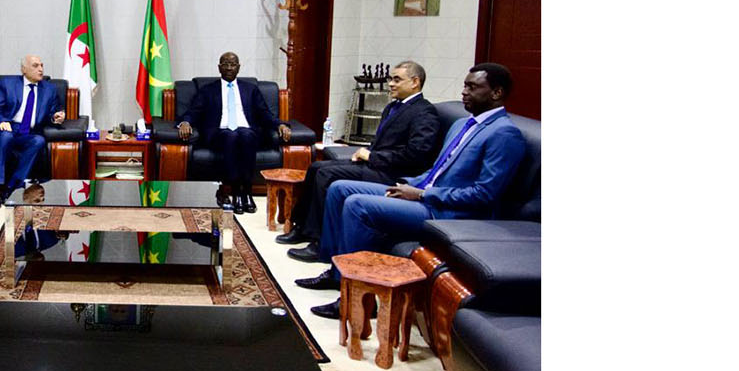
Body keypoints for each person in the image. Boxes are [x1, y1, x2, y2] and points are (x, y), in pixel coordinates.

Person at [297, 63, 528, 319]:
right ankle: (337, 273)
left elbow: (484, 195)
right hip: (423, 194)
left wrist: (422, 194)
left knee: (357, 205)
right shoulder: (462, 124)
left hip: (449, 212)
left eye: (473, 87)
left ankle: (357, 301)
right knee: (340, 189)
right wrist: (409, 184)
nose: (464, 91)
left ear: (496, 93)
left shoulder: (505, 134)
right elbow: (437, 171)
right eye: (465, 85)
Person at [279, 61, 440, 253]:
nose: (390, 84)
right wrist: (365, 153)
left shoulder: (425, 112)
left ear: (415, 82)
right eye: (390, 79)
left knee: (325, 175)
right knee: (316, 167)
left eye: (397, 80)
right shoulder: (392, 107)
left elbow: (416, 155)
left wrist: (372, 156)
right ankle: (302, 227)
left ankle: (319, 241)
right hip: (375, 165)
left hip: (392, 174)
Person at [176, 52, 291, 213]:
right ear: (219, 68)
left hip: (246, 130)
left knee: (246, 135)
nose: (229, 68)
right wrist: (185, 122)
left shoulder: (250, 89)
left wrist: (280, 125)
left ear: (238, 67)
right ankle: (236, 192)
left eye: (233, 64)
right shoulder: (208, 90)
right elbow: (194, 111)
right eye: (225, 64)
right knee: (231, 135)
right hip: (219, 131)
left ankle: (247, 192)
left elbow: (264, 113)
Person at [0, 55, 66, 208]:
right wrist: (2, 121)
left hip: (28, 133)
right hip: (8, 128)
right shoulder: (8, 84)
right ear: (24, 69)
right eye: (35, 65)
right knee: (5, 136)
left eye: (41, 65)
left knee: (39, 140)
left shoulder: (49, 89)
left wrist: (56, 117)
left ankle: (12, 186)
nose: (40, 69)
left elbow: (52, 113)